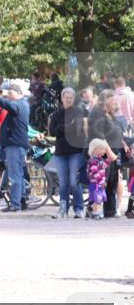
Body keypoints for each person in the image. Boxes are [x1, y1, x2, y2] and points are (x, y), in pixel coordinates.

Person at [0, 82, 31, 213]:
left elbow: (7, 104)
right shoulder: (21, 104)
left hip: (15, 145)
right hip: (15, 144)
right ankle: (21, 201)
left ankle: (15, 204)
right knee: (19, 175)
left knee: (15, 177)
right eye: (8, 93)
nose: (9, 96)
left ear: (19, 94)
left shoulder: (19, 104)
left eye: (11, 93)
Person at [87, 90, 129, 218]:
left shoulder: (110, 114)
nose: (115, 102)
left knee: (112, 182)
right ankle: (93, 209)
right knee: (100, 183)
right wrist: (109, 152)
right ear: (105, 100)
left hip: (113, 153)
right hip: (102, 153)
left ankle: (109, 211)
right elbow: (99, 135)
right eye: (113, 100)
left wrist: (123, 143)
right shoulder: (97, 113)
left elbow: (117, 131)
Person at [47, 88, 86, 219]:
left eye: (71, 97)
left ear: (73, 99)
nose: (68, 99)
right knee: (63, 182)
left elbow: (78, 129)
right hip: (61, 152)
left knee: (74, 181)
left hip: (76, 151)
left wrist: (61, 128)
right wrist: (68, 127)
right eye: (66, 97)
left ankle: (78, 208)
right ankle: (63, 208)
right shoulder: (56, 114)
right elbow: (53, 132)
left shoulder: (78, 112)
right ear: (62, 99)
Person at [86, 138, 115, 220]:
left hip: (99, 183)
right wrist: (101, 181)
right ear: (95, 149)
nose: (104, 151)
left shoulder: (100, 160)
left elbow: (108, 162)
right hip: (95, 183)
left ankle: (91, 209)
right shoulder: (93, 161)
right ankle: (96, 213)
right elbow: (95, 173)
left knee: (99, 198)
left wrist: (109, 153)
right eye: (102, 149)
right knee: (97, 199)